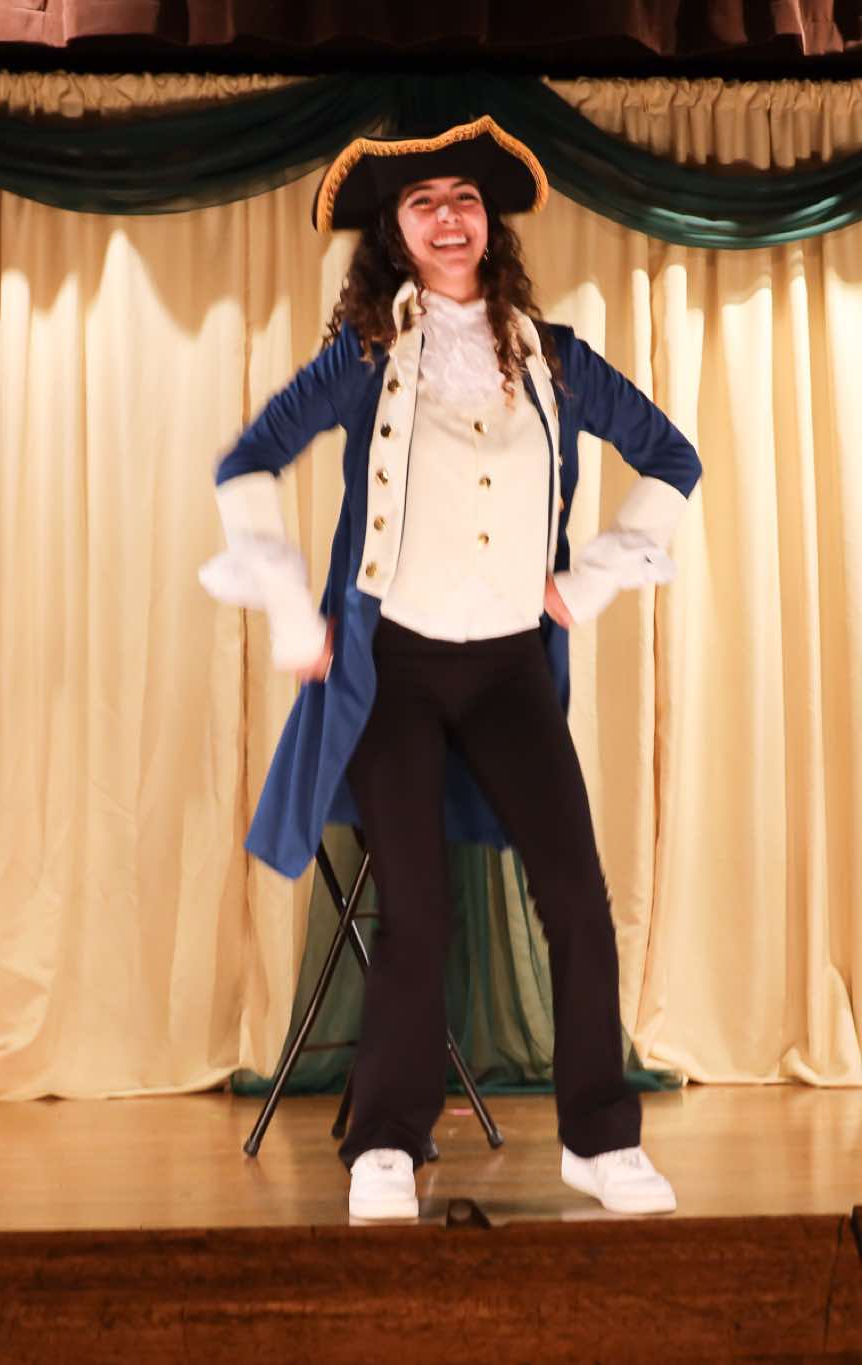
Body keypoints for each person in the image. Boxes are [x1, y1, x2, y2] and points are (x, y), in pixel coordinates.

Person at [200, 115, 701, 1221]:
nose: (447, 218)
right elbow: (248, 462)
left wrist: (591, 578)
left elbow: (673, 457)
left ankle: (600, 1141)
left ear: (489, 222)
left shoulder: (554, 359)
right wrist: (290, 604)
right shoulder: (364, 357)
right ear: (395, 230)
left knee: (576, 898)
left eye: (464, 198)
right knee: (416, 910)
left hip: (511, 669)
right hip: (396, 671)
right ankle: (385, 1140)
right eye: (423, 202)